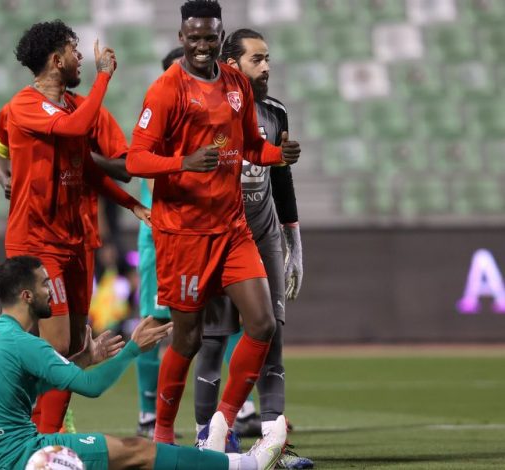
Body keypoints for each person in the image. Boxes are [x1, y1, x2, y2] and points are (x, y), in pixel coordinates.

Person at [125, 0, 300, 454]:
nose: (202, 46)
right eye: (194, 38)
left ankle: (222, 423)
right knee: (187, 338)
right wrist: (182, 162)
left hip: (233, 229)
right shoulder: (166, 90)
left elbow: (251, 147)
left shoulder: (237, 84)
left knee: (262, 324)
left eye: (210, 38)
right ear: (181, 38)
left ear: (220, 39)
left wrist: (277, 155)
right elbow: (136, 159)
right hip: (185, 234)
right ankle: (163, 434)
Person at [0, 255, 281, 470]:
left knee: (123, 456)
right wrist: (133, 349)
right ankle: (248, 465)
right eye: (45, 284)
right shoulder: (24, 343)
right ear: (27, 296)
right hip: (22, 456)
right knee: (136, 450)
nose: (52, 292)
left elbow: (23, 388)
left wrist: (83, 359)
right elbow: (92, 387)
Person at [5, 20, 151, 434]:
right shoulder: (24, 105)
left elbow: (88, 168)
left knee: (74, 346)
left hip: (74, 242)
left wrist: (132, 204)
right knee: (54, 347)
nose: (81, 56)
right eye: (74, 49)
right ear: (57, 60)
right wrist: (104, 76)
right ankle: (45, 438)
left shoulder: (75, 108)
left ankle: (43, 433)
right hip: (36, 241)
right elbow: (73, 130)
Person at [193, 28, 313, 469]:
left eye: (268, 59)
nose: (266, 67)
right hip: (217, 238)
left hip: (263, 237)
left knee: (272, 335)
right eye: (257, 59)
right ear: (232, 64)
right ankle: (208, 440)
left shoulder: (275, 112)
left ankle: (272, 445)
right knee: (212, 340)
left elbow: (281, 177)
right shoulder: (205, 110)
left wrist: (293, 238)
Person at [134, 46, 184, 439]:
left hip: (199, 233)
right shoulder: (159, 116)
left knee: (223, 318)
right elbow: (148, 173)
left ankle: (235, 412)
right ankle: (148, 413)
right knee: (156, 321)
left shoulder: (204, 115)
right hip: (162, 234)